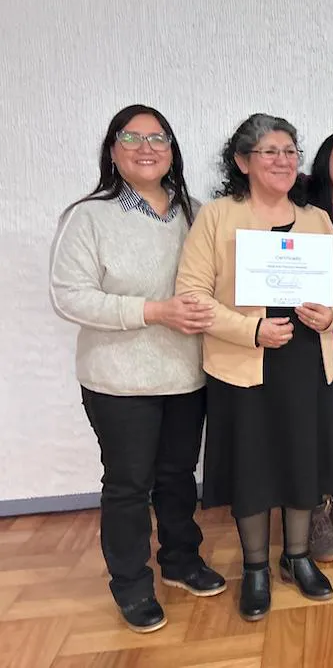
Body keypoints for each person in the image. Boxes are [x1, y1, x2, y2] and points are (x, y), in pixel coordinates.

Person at [176, 113, 333, 620]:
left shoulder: (316, 220)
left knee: (304, 462)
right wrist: (250, 330)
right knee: (252, 467)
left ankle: (296, 558)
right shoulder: (216, 216)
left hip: (305, 363)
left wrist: (331, 316)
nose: (283, 161)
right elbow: (191, 296)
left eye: (289, 151)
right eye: (269, 151)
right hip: (244, 366)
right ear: (242, 161)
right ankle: (255, 567)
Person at [50, 105, 226, 633]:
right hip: (118, 379)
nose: (146, 147)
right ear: (113, 149)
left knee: (177, 476)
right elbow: (69, 297)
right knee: (128, 484)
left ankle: (180, 561)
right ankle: (130, 584)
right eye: (132, 137)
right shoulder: (89, 216)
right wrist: (155, 311)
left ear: (172, 149)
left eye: (159, 138)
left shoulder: (196, 212)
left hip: (188, 373)